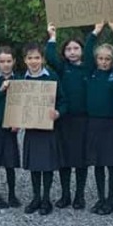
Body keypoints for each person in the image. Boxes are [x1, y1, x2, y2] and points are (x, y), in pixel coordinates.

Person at [14, 43, 65, 216]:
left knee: (47, 165)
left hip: (48, 128)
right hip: (32, 129)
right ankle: (36, 198)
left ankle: (46, 199)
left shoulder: (52, 77)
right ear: (24, 60)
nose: (34, 61)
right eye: (30, 58)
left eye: (37, 57)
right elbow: (17, 105)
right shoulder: (22, 80)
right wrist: (15, 119)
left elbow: (64, 101)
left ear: (42, 59)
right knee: (35, 165)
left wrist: (58, 112)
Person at [46, 25, 88, 209]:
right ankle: (65, 194)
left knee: (81, 160)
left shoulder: (88, 68)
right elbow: (49, 57)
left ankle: (80, 195)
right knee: (64, 159)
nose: (72, 52)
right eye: (69, 49)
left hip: (83, 120)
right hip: (64, 119)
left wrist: (96, 31)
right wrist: (52, 37)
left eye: (76, 48)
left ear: (82, 50)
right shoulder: (62, 68)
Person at [85, 22, 113, 215]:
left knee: (111, 163)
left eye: (107, 59)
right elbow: (86, 52)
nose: (103, 62)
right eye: (100, 58)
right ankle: (100, 198)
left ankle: (110, 199)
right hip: (94, 123)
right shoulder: (91, 73)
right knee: (98, 163)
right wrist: (96, 31)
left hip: (111, 124)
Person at [0, 47, 21, 208]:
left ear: (14, 61)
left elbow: (23, 104)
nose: (6, 65)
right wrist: (1, 90)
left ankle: (12, 195)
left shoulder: (20, 80)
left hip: (11, 127)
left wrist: (19, 122)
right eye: (2, 61)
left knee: (10, 162)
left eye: (8, 61)